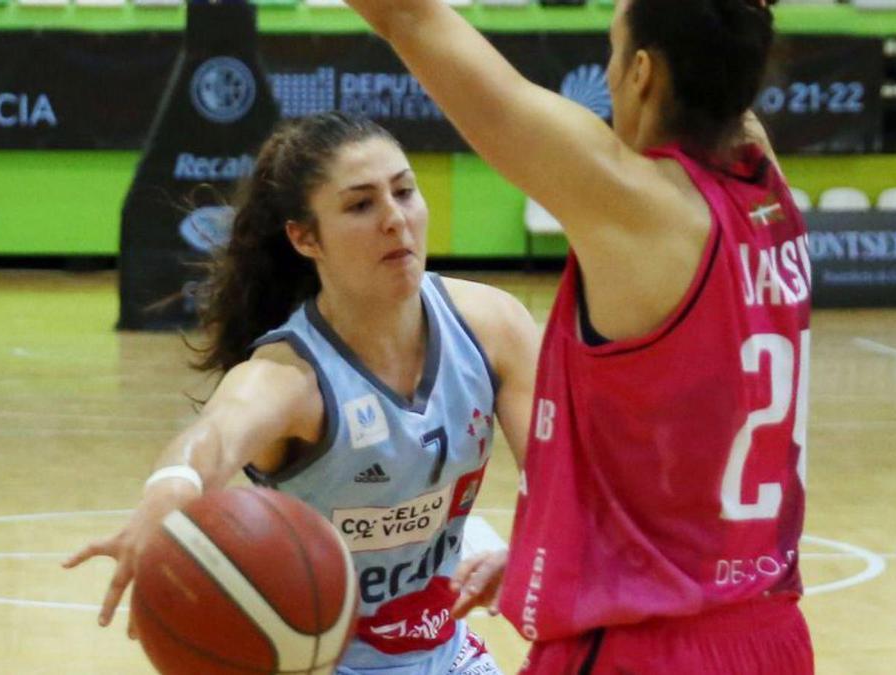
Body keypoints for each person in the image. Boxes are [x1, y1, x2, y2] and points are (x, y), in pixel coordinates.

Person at [344, 0, 814, 672]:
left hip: (645, 649)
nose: (612, 71)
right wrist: (572, 551)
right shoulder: (771, 195)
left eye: (614, 53)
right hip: (770, 635)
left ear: (643, 73)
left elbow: (410, 17)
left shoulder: (642, 209)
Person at [63, 112, 540, 675]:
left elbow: (567, 475)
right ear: (305, 237)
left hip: (446, 654)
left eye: (405, 192)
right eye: (361, 205)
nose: (395, 219)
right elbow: (212, 440)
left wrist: (532, 550)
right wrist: (169, 491)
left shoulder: (493, 326)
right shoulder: (290, 377)